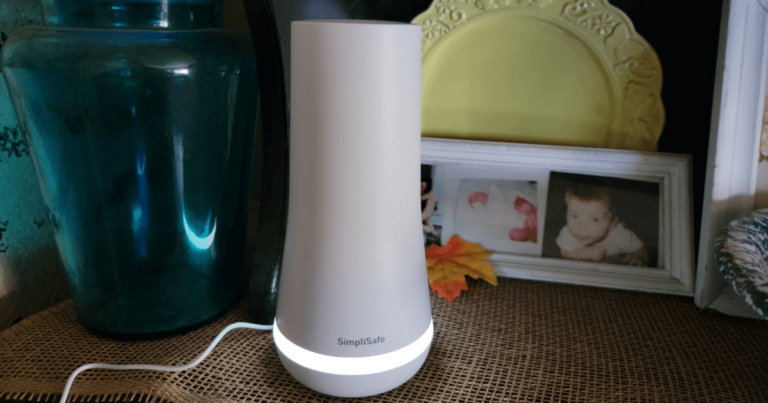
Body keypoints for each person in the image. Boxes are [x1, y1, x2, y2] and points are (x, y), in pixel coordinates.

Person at [556, 183, 649, 266]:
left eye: (595, 220)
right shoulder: (567, 232)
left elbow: (640, 247)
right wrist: (585, 253)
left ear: (612, 223)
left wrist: (640, 257)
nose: (581, 228)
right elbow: (564, 252)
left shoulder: (621, 235)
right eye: (575, 216)